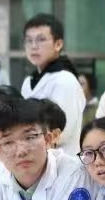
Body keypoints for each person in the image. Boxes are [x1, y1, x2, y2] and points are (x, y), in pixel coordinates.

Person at [19, 13, 86, 155]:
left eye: (41, 39)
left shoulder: (65, 80)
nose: (34, 46)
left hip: (62, 160)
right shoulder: (29, 82)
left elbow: (61, 132)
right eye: (29, 40)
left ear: (58, 44)